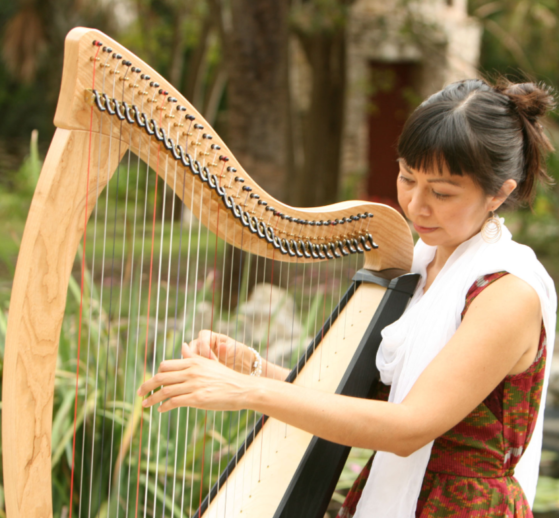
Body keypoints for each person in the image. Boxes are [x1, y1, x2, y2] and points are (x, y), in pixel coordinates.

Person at [138, 79, 557, 517]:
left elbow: (408, 427)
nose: (416, 205)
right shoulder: (425, 262)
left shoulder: (507, 291)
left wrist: (249, 391)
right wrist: (255, 368)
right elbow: (375, 405)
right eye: (407, 177)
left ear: (499, 193)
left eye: (442, 192)